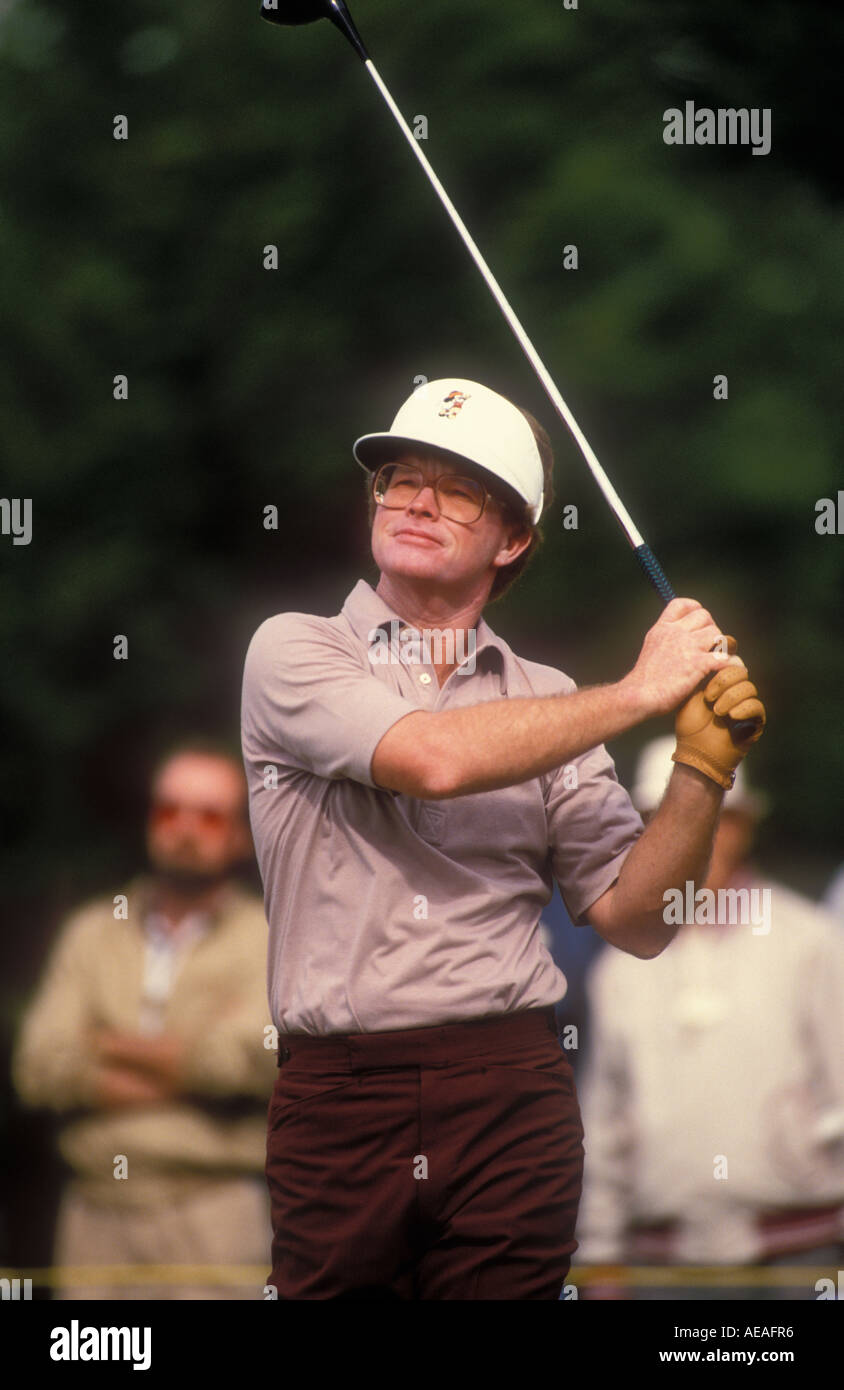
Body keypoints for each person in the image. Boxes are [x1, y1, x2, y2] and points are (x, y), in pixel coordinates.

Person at [240, 376, 766, 1301]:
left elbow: (639, 920)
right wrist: (638, 693)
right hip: (341, 1094)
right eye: (401, 479)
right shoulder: (294, 649)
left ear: (514, 538)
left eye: (459, 491)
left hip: (511, 1086)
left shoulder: (552, 699)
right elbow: (430, 758)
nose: (418, 502)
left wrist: (700, 773)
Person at [575, 735, 844, 1300]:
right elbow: (603, 1122)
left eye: (713, 816)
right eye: (668, 818)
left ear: (743, 825)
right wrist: (599, 1258)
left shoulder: (811, 943)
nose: (695, 835)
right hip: (662, 1262)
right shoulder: (618, 970)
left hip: (804, 1252)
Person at [13, 741, 278, 1300]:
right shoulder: (92, 932)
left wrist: (100, 1044)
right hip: (93, 1218)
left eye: (209, 816)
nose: (185, 828)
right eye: (169, 809)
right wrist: (188, 1069)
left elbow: (249, 1063)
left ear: (238, 834)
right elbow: (38, 1066)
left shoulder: (267, 937)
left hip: (216, 1213)